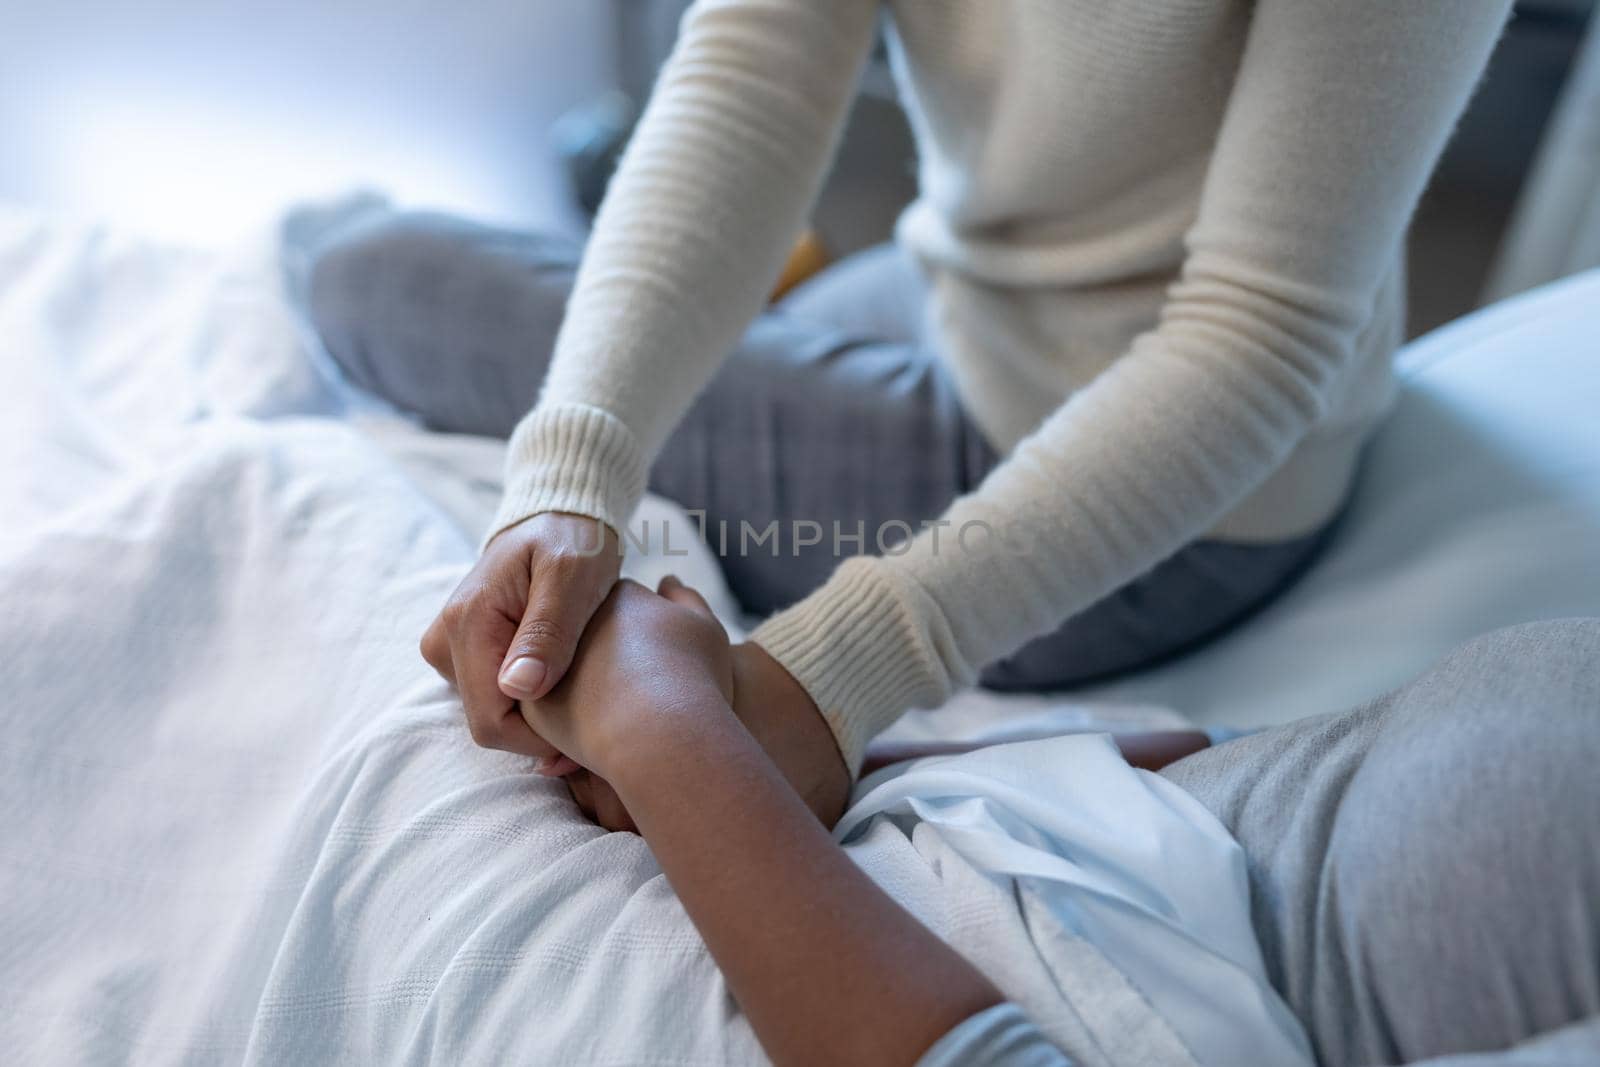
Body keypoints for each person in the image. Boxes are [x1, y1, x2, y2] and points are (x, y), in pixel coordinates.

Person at [298, 0, 1517, 809]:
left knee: (368, 275)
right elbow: (753, 72)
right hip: (960, 292)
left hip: (1186, 485)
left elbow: (1261, 329)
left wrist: (833, 678)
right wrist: (565, 477)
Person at [523, 578, 1600, 1066]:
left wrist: (662, 727)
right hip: (948, 826)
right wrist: (825, 762)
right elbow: (1264, 758)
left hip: (964, 971)